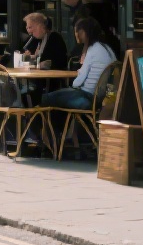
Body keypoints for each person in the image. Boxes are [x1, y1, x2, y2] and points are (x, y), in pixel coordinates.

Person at [41, 17, 118, 149]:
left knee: (46, 98)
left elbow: (78, 83)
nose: (76, 34)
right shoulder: (107, 49)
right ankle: (66, 137)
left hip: (87, 96)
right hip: (101, 98)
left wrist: (79, 74)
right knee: (60, 97)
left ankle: (51, 140)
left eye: (77, 31)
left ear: (84, 32)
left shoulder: (92, 49)